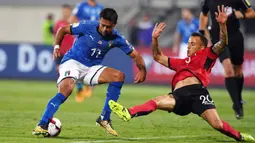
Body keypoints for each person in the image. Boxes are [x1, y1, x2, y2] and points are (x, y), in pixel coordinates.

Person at [108, 6, 255, 142]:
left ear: (202, 46)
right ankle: (128, 112)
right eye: (188, 43)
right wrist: (154, 39)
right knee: (157, 101)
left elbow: (223, 42)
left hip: (198, 94)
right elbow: (158, 56)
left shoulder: (208, 54)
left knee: (218, 125)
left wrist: (222, 24)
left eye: (192, 44)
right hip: (179, 96)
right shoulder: (181, 62)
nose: (188, 46)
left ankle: (240, 137)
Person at [32, 8, 146, 137]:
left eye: (108, 27)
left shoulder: (117, 38)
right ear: (99, 21)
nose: (104, 29)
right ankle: (42, 124)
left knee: (119, 76)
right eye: (102, 25)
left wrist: (143, 70)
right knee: (66, 90)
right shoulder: (87, 26)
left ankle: (104, 118)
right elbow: (62, 30)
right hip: (73, 62)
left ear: (114, 25)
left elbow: (136, 55)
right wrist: (57, 46)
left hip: (91, 69)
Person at [199, 0, 255, 119]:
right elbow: (203, 14)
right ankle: (237, 106)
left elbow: (252, 13)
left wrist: (243, 15)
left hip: (235, 38)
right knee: (228, 68)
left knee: (238, 70)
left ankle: (238, 99)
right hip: (218, 39)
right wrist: (202, 32)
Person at [70, 0, 104, 102]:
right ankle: (80, 89)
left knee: (92, 63)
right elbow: (73, 18)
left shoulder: (100, 8)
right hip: (82, 38)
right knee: (78, 62)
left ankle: (88, 85)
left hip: (95, 39)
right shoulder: (81, 6)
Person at [54, 4, 74, 77]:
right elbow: (55, 37)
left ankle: (79, 87)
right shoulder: (59, 23)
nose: (65, 13)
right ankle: (61, 86)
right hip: (61, 51)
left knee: (70, 71)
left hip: (71, 51)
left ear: (70, 12)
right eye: (64, 11)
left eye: (66, 11)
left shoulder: (74, 23)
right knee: (59, 69)